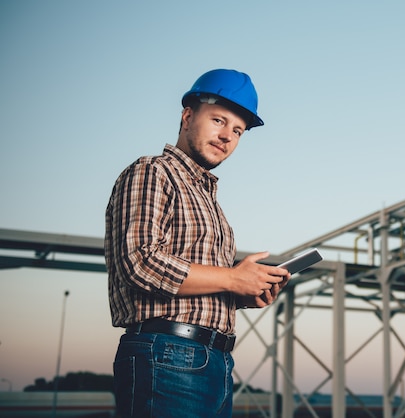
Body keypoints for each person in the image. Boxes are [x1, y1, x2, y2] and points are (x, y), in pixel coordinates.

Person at [104, 68, 290, 418]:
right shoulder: (152, 172)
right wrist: (232, 278)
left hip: (214, 363)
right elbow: (139, 263)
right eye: (218, 121)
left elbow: (199, 287)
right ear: (188, 116)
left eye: (237, 131)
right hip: (166, 354)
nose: (227, 136)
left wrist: (243, 295)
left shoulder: (210, 202)